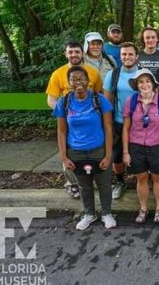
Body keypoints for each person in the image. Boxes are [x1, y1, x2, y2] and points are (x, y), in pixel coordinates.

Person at [54, 65, 115, 230]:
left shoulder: (99, 99)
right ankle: (89, 213)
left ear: (88, 81)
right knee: (84, 185)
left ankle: (107, 213)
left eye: (81, 79)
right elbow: (61, 131)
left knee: (103, 183)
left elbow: (109, 128)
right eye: (73, 79)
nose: (77, 82)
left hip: (98, 149)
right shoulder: (64, 102)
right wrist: (64, 157)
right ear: (69, 82)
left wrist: (108, 155)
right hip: (76, 152)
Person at [46, 41, 103, 199]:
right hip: (70, 121)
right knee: (68, 152)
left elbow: (99, 96)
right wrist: (65, 112)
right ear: (66, 54)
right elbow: (51, 100)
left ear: (82, 53)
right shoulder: (58, 74)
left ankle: (90, 179)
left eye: (77, 52)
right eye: (70, 52)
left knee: (92, 151)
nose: (74, 55)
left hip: (91, 121)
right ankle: (71, 183)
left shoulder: (93, 72)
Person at [122, 69, 159, 224]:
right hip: (136, 146)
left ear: (153, 84)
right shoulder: (131, 102)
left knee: (157, 177)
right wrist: (126, 152)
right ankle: (143, 208)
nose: (144, 85)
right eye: (141, 82)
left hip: (157, 146)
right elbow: (126, 128)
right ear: (137, 85)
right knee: (141, 177)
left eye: (147, 81)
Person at [103, 42, 140, 199]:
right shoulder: (113, 75)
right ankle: (120, 181)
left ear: (136, 57)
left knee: (138, 154)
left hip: (140, 122)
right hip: (119, 121)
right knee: (117, 155)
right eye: (124, 54)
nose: (127, 57)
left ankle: (141, 182)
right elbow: (107, 101)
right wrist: (108, 124)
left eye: (130, 54)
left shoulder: (143, 74)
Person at [136, 26, 159, 92]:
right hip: (142, 94)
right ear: (143, 39)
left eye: (153, 37)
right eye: (147, 38)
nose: (150, 40)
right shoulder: (137, 56)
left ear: (157, 39)